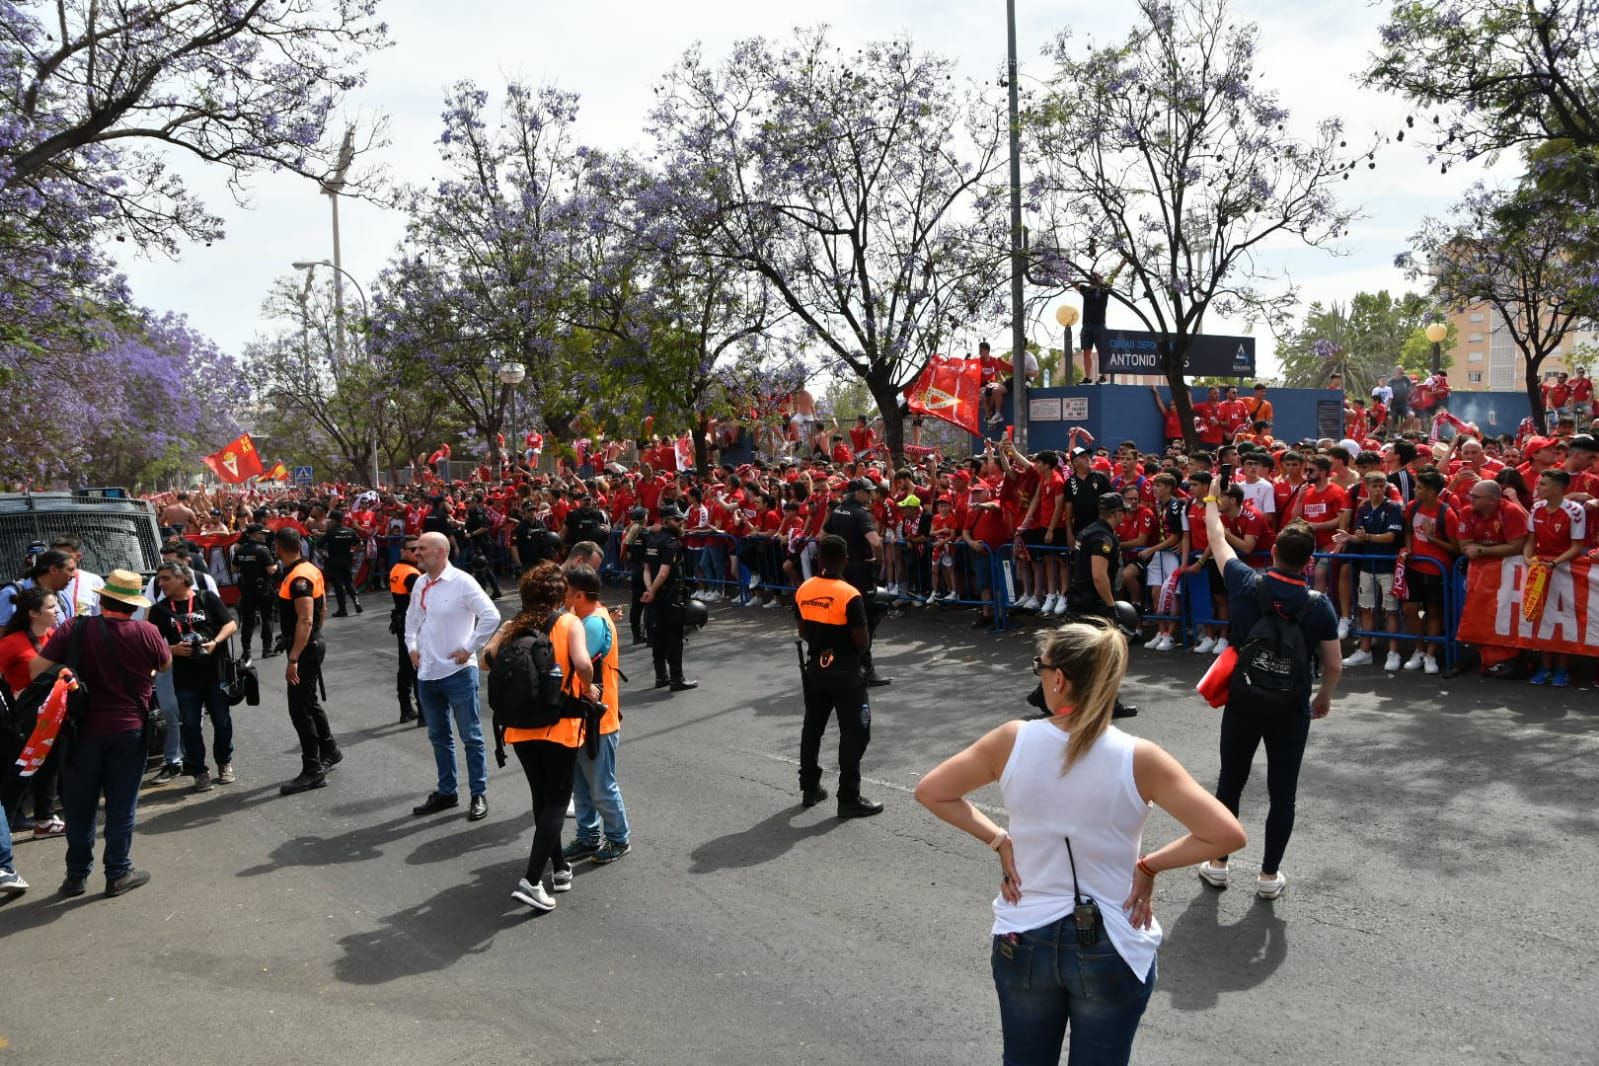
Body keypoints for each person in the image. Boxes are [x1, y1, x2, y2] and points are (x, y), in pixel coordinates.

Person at [914, 621, 1246, 1066]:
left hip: (1024, 930)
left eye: (1041, 666)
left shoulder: (1012, 739)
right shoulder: (1139, 757)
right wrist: (1149, 867)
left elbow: (932, 791)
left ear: (1058, 679)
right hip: (1111, 937)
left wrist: (998, 839)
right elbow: (1226, 834)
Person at [1199, 499, 1341, 900]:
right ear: (1309, 561)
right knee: (1283, 790)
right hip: (1290, 705)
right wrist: (1323, 697)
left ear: (1274, 551)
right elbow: (1334, 664)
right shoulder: (1318, 606)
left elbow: (1215, 535)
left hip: (1243, 698)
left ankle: (1218, 864)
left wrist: (1211, 498)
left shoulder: (1245, 582)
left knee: (1231, 780)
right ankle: (1267, 875)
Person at [30, 569, 171, 898]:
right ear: (132, 604)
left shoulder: (74, 628)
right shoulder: (147, 632)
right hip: (130, 731)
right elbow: (164, 666)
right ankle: (118, 872)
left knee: (79, 808)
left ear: (103, 599)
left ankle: (77, 876)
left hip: (81, 733)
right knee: (121, 806)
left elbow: (36, 669)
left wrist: (67, 674)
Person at [484, 563, 593, 912]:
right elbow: (582, 663)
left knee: (542, 799)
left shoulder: (513, 626)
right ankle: (532, 880)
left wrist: (503, 634)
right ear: (560, 595)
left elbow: (486, 661)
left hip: (519, 726)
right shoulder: (567, 622)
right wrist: (588, 687)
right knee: (559, 800)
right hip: (559, 724)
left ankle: (559, 869)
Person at [405, 531, 502, 820]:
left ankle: (478, 793)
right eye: (416, 548)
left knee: (470, 736)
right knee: (439, 737)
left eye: (422, 548)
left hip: (458, 673)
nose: (416, 552)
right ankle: (447, 792)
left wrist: (469, 648)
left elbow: (491, 615)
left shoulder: (462, 582)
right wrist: (412, 647)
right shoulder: (421, 582)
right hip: (427, 675)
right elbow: (411, 620)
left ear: (441, 552)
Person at [794, 535, 883, 819]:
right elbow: (862, 643)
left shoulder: (804, 589)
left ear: (819, 559)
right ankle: (848, 797)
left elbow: (803, 631)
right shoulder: (849, 594)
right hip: (845, 670)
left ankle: (809, 787)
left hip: (815, 667)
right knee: (855, 732)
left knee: (813, 728)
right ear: (845, 559)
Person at [559, 564, 632, 865]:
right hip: (580, 719)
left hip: (597, 720)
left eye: (564, 590)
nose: (560, 595)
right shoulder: (583, 618)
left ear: (578, 594)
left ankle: (618, 838)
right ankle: (588, 836)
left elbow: (578, 667)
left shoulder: (591, 624)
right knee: (581, 785)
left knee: (601, 786)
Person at [147, 563, 237, 792]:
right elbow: (150, 645)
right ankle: (199, 771)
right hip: (185, 679)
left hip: (215, 674)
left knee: (222, 722)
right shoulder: (159, 610)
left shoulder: (206, 598)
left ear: (182, 578)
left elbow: (230, 624)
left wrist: (215, 642)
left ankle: (224, 762)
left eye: (166, 578)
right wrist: (172, 650)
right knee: (190, 727)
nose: (161, 583)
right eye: (160, 579)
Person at [274, 526, 341, 796]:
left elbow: (306, 617)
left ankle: (312, 769)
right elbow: (322, 609)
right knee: (309, 703)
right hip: (311, 643)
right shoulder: (310, 569)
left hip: (304, 649)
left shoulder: (299, 577)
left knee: (299, 709)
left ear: (278, 548)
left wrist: (294, 657)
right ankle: (330, 749)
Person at [0, 587, 64, 841]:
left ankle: (45, 819)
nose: (57, 610)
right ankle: (4, 827)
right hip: (22, 720)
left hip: (52, 715)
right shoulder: (10, 643)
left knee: (50, 766)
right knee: (21, 772)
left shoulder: (54, 635)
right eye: (51, 607)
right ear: (33, 613)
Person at [823, 478, 891, 686]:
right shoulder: (861, 514)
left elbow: (823, 537)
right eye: (867, 492)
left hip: (840, 570)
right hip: (860, 570)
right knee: (867, 616)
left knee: (842, 617)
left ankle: (844, 663)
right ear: (858, 493)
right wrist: (878, 557)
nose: (870, 496)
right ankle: (865, 668)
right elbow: (874, 541)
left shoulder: (837, 511)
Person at [643, 504, 698, 692]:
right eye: (677, 519)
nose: (681, 522)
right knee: (674, 637)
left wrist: (650, 590)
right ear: (666, 521)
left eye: (681, 519)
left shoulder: (652, 540)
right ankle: (676, 678)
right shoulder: (671, 543)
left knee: (658, 636)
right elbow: (664, 572)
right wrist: (653, 590)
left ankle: (661, 677)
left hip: (657, 596)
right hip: (670, 595)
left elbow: (647, 569)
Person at [230, 523, 279, 663]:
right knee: (267, 618)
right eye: (261, 534)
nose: (264, 536)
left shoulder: (240, 550)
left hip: (247, 589)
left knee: (247, 621)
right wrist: (276, 565)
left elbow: (234, 569)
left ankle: (246, 651)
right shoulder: (263, 550)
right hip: (263, 589)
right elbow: (271, 570)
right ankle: (267, 649)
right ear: (254, 535)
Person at [388, 536, 423, 724]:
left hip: (402, 621)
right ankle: (423, 711)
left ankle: (406, 709)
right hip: (413, 624)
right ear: (403, 551)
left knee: (405, 667)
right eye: (412, 549)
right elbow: (418, 604)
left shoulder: (397, 569)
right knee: (417, 666)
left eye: (419, 548)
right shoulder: (412, 574)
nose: (417, 552)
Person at [321, 510, 364, 617]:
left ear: (334, 520)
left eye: (330, 519)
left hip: (334, 562)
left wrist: (324, 554)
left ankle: (342, 609)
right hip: (347, 561)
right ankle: (356, 601)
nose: (329, 521)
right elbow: (361, 544)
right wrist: (353, 551)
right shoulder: (350, 531)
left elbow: (319, 545)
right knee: (349, 582)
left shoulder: (331, 532)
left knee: (338, 585)